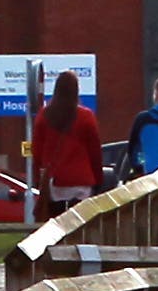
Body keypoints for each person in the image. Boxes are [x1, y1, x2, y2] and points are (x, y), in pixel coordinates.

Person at [30, 70, 104, 210]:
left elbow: (37, 153)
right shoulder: (86, 117)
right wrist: (98, 180)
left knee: (56, 225)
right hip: (81, 181)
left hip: (55, 181)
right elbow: (95, 153)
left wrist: (38, 181)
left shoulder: (44, 116)